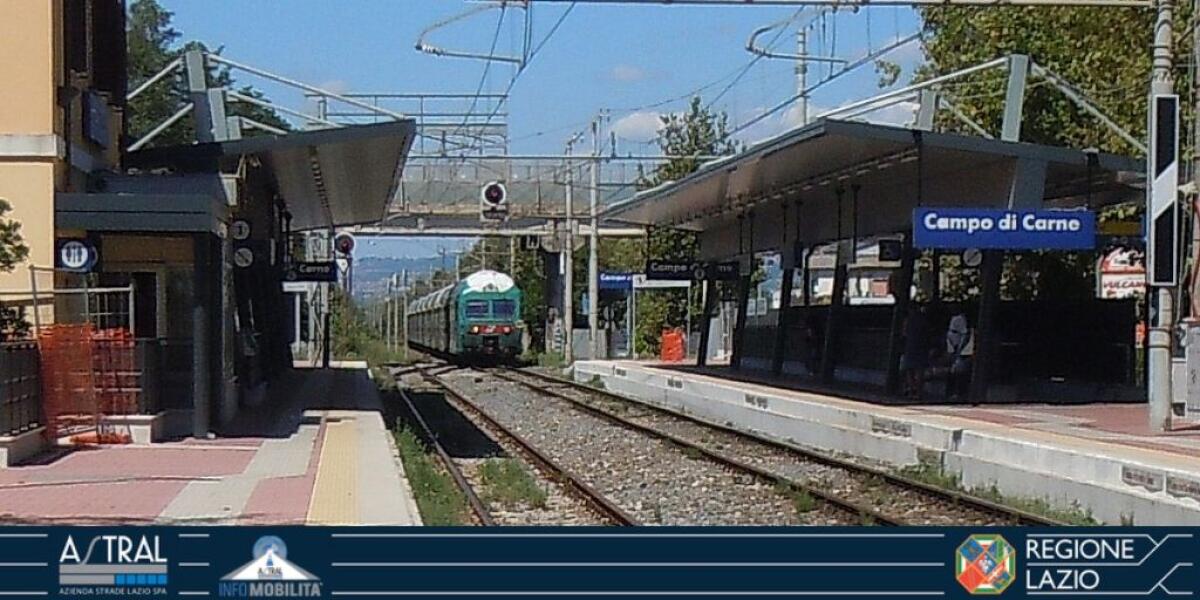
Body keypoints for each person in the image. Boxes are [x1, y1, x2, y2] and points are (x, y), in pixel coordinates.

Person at [901, 305, 930, 400]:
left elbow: (904, 333)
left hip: (910, 345)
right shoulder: (923, 320)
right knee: (919, 370)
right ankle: (918, 391)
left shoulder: (908, 321)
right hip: (922, 346)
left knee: (909, 369)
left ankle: (911, 389)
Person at [945, 312, 974, 401]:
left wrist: (958, 350)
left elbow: (964, 336)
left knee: (960, 373)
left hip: (963, 352)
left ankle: (959, 393)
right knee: (953, 372)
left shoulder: (962, 323)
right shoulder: (955, 320)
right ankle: (953, 392)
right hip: (955, 349)